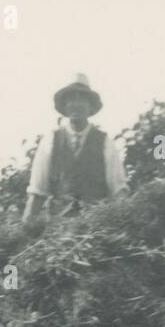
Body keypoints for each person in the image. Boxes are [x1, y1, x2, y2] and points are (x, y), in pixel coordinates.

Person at [22, 74, 128, 223]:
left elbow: (118, 192)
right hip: (57, 233)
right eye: (71, 99)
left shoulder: (105, 143)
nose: (76, 104)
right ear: (65, 106)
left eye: (82, 99)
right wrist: (24, 230)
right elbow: (37, 193)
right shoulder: (51, 141)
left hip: (97, 231)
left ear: (90, 106)